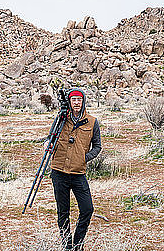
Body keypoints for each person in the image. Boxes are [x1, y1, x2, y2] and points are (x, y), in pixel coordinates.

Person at [48, 88, 101, 251]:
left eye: (79, 99)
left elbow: (97, 146)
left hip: (78, 173)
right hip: (59, 172)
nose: (76, 102)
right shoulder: (61, 119)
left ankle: (77, 244)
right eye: (73, 99)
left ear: (83, 101)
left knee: (87, 209)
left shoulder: (92, 121)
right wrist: (48, 144)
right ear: (69, 102)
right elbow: (50, 138)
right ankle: (67, 246)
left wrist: (84, 158)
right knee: (62, 212)